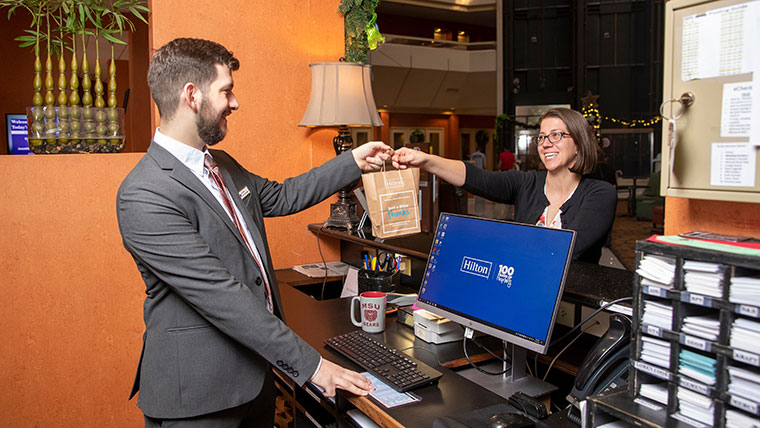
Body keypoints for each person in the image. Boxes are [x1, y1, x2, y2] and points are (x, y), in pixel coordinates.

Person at [116, 38, 391, 427]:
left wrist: (352, 162)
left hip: (255, 379)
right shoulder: (144, 193)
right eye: (226, 91)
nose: (235, 102)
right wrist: (313, 367)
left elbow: (281, 196)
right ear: (191, 95)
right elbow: (220, 295)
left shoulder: (222, 164)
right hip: (199, 397)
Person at [393, 108, 616, 263]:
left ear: (578, 143)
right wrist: (426, 161)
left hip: (570, 306)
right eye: (541, 137)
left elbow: (567, 250)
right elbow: (479, 178)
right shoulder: (527, 182)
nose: (546, 143)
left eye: (556, 135)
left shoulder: (600, 193)